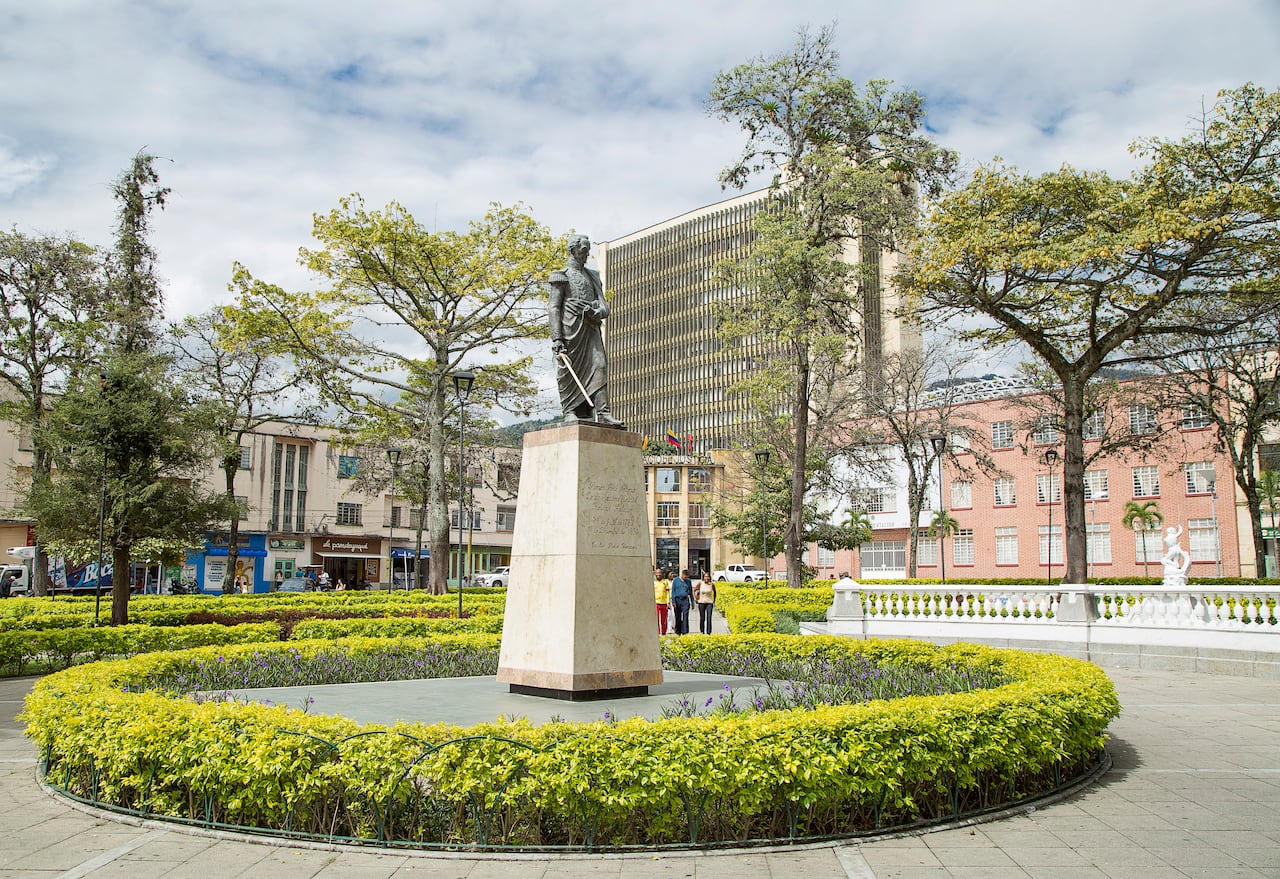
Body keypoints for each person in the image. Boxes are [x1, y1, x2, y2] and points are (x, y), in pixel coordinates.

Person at [548, 234, 622, 427]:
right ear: (573, 250)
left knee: (600, 365)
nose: (587, 254)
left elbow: (605, 307)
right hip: (570, 329)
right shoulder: (561, 275)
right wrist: (557, 338)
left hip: (591, 328)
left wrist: (597, 310)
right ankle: (570, 410)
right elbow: (554, 307)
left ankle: (604, 412)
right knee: (568, 369)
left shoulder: (593, 276)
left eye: (588, 250)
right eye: (583, 250)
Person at [670, 568, 693, 635]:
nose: (686, 578)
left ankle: (685, 631)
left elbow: (690, 592)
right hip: (677, 600)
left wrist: (692, 602)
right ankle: (678, 631)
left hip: (685, 600)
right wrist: (673, 601)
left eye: (687, 577)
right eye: (685, 576)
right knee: (678, 616)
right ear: (682, 574)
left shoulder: (688, 581)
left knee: (685, 616)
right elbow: (673, 591)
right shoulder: (676, 580)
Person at [695, 570, 717, 635]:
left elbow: (715, 592)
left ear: (709, 578)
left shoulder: (711, 584)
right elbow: (695, 590)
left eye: (707, 577)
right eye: (705, 577)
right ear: (703, 577)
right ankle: (702, 631)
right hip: (701, 602)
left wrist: (714, 600)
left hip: (709, 602)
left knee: (709, 618)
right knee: (702, 618)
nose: (706, 578)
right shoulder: (700, 583)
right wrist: (696, 598)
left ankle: (709, 632)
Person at [654, 567, 671, 635]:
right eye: (657, 573)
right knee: (656, 619)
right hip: (656, 603)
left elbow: (667, 593)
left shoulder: (665, 582)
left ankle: (663, 632)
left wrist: (668, 602)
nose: (658, 575)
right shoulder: (653, 582)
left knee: (664, 619)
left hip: (664, 603)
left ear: (662, 574)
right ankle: (657, 633)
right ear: (655, 574)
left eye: (660, 573)